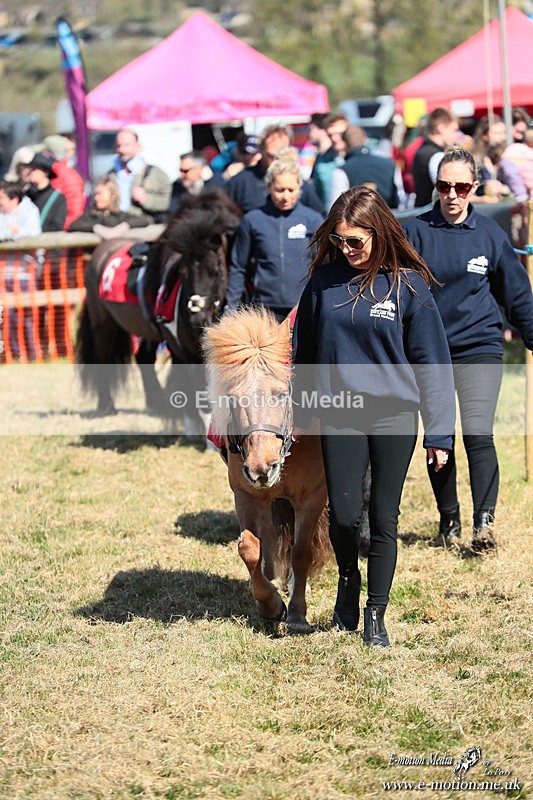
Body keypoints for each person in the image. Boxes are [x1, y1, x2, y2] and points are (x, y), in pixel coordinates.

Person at [292, 186, 455, 647]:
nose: (347, 250)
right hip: (338, 412)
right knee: (343, 516)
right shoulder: (322, 283)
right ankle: (348, 583)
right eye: (340, 241)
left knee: (383, 517)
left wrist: (439, 433)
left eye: (356, 242)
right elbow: (302, 355)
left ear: (379, 233)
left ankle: (375, 614)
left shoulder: (409, 286)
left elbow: (434, 365)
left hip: (394, 416)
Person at [403, 146, 533, 553]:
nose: (453, 194)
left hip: (480, 345)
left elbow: (516, 294)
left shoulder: (489, 235)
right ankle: (449, 519)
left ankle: (484, 524)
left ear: (475, 187)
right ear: (436, 188)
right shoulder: (415, 232)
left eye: (461, 186)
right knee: (438, 438)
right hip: (430, 352)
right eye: (445, 186)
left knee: (479, 433)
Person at [225, 148, 324, 321]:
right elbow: (238, 267)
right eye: (280, 190)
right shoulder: (252, 220)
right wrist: (230, 308)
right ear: (269, 186)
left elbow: (322, 266)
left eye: (291, 190)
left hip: (303, 306)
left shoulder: (313, 220)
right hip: (265, 309)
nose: (286, 196)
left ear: (300, 187)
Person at [227, 124, 325, 215]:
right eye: (271, 156)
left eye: (281, 155)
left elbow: (321, 220)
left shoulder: (299, 184)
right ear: (261, 149)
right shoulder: (241, 183)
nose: (276, 161)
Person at [0, 180, 41, 360]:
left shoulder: (30, 211)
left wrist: (14, 233)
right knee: (6, 316)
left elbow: (32, 233)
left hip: (24, 273)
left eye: (2, 198)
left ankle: (32, 354)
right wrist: (13, 232)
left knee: (27, 316)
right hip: (3, 272)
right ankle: (13, 354)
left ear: (14, 198)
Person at [108, 128, 172, 223]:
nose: (121, 149)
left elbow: (167, 203)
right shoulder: (111, 175)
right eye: (118, 145)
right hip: (117, 222)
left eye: (127, 145)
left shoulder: (156, 173)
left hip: (143, 224)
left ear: (137, 146)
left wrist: (146, 199)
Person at [329, 125, 399, 209]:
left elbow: (336, 208)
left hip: (357, 220)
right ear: (365, 139)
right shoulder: (390, 164)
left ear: (344, 144)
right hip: (389, 218)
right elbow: (400, 199)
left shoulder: (341, 171)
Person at [69, 175, 151, 237]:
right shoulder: (90, 215)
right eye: (95, 194)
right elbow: (73, 225)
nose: (96, 198)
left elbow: (144, 220)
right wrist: (95, 228)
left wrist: (124, 226)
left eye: (100, 194)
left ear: (113, 196)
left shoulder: (120, 215)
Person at [412, 108, 459, 207]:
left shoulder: (424, 151)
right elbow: (450, 190)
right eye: (454, 130)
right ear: (441, 128)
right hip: (432, 215)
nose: (457, 135)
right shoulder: (435, 156)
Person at [43, 134, 86, 230]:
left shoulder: (68, 177)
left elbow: (75, 212)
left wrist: (59, 230)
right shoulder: (51, 172)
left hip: (60, 234)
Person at [168, 150, 227, 216]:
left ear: (200, 168)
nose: (181, 175)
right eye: (180, 170)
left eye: (185, 171)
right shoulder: (177, 185)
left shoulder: (218, 183)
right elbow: (173, 210)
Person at [311, 113, 348, 209]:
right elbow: (317, 194)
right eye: (331, 135)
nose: (334, 139)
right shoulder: (323, 161)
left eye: (340, 134)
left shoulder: (360, 157)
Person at [26, 151, 67, 232]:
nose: (30, 172)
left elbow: (57, 227)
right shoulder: (26, 195)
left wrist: (33, 231)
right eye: (30, 168)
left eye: (35, 169)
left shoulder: (59, 198)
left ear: (46, 172)